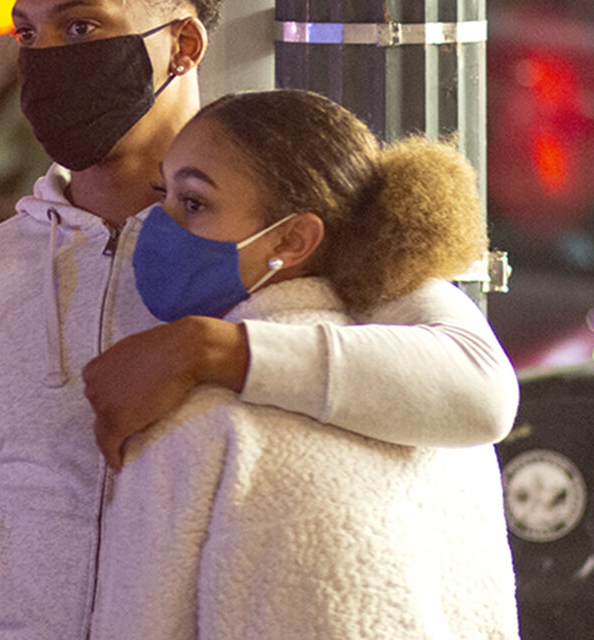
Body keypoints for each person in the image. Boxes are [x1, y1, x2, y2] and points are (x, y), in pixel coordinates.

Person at [0, 0, 518, 640]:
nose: (45, 59)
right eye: (28, 34)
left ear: (183, 44)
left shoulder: (278, 237)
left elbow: (478, 388)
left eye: (80, 27)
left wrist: (214, 350)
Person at [91, 89, 519, 639]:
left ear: (293, 238)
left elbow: (141, 624)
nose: (153, 224)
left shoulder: (197, 417)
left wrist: (209, 348)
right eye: (163, 193)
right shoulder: (443, 427)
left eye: (193, 202)